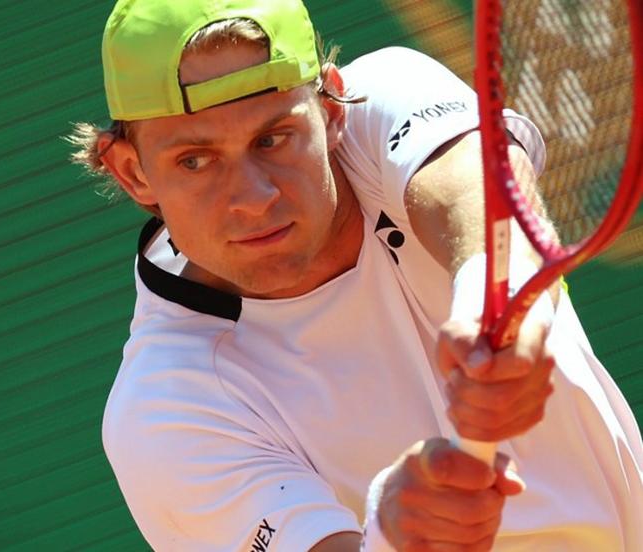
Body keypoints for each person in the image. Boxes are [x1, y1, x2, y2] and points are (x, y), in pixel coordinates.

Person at [70, 0, 643, 549]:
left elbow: (484, 195)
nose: (252, 197)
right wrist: (393, 541)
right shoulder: (162, 414)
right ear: (132, 171)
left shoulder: (390, 94)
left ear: (333, 109)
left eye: (273, 139)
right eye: (194, 160)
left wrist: (489, 293)